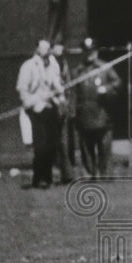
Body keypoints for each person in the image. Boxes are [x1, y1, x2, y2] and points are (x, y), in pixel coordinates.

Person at [16, 38, 67, 189]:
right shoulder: (29, 66)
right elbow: (22, 88)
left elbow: (57, 83)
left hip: (50, 107)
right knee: (41, 145)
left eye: (47, 48)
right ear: (37, 49)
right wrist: (30, 102)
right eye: (42, 48)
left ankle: (48, 176)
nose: (45, 51)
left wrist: (60, 95)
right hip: (35, 109)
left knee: (52, 144)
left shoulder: (53, 65)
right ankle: (38, 178)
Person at [73, 37, 121, 179]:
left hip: (102, 112)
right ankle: (90, 173)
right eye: (87, 51)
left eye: (92, 51)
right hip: (84, 113)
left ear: (96, 52)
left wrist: (106, 88)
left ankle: (105, 173)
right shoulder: (77, 71)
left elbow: (118, 83)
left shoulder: (105, 68)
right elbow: (72, 92)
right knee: (86, 147)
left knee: (104, 146)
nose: (90, 54)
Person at [51, 43, 77, 184]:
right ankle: (58, 172)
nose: (60, 50)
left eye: (62, 47)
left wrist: (69, 106)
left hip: (63, 107)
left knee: (65, 141)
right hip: (50, 106)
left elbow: (69, 85)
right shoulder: (47, 64)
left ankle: (67, 174)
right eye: (57, 47)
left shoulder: (64, 63)